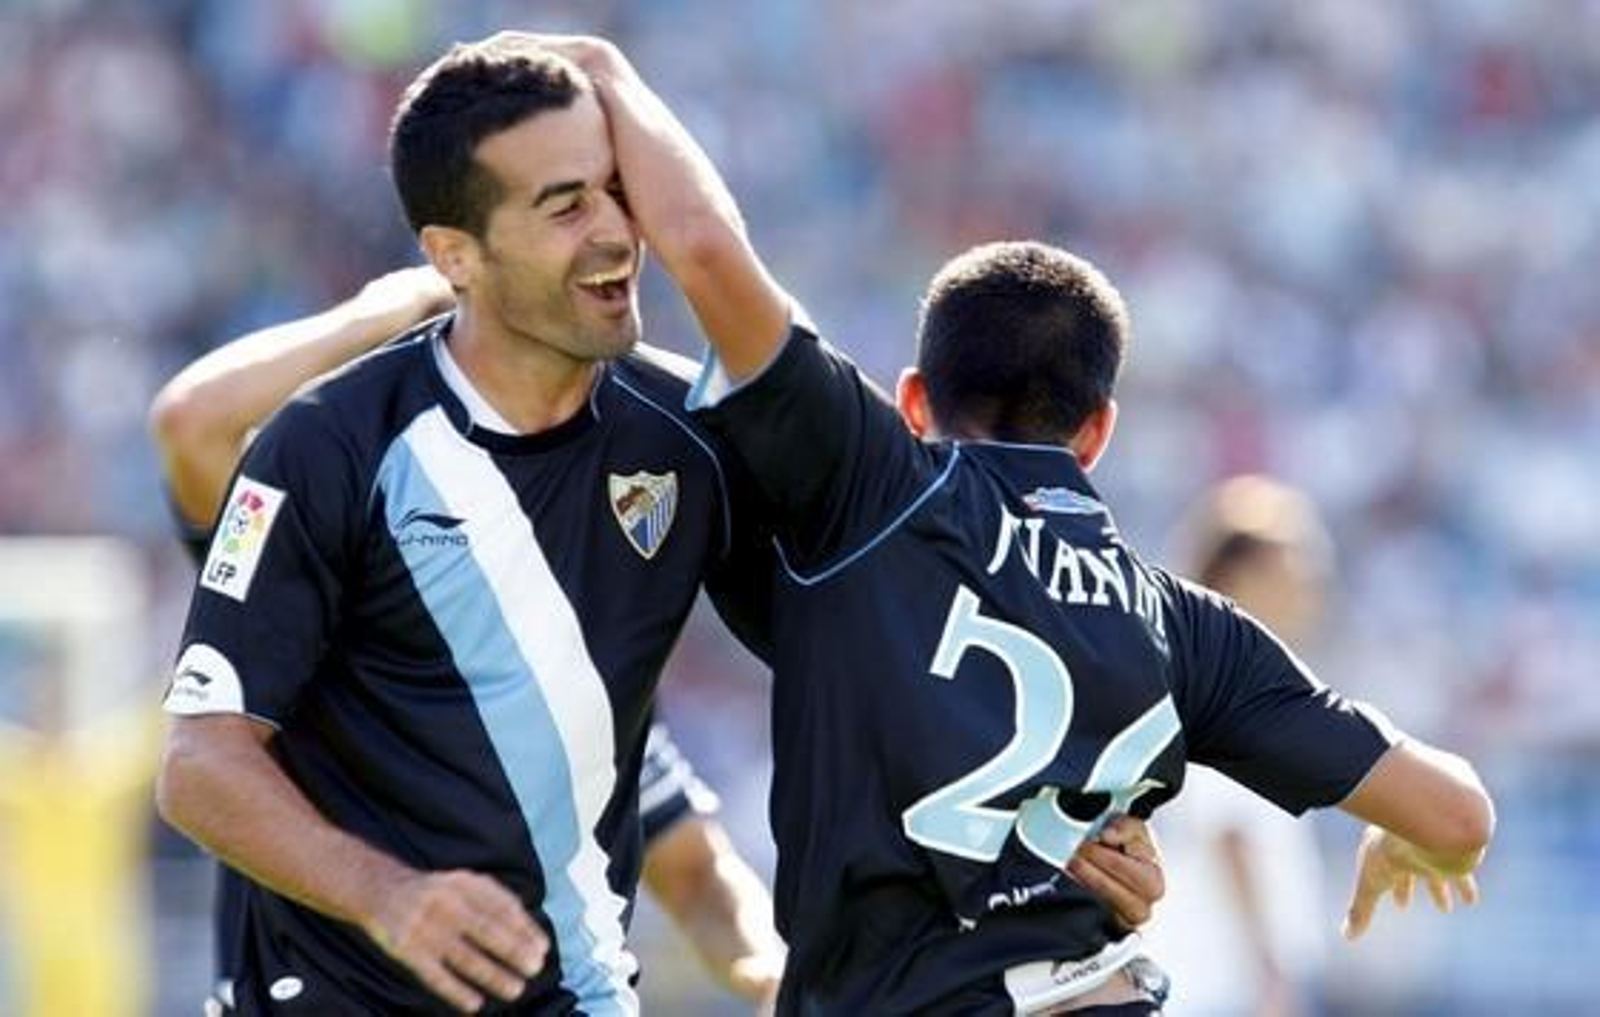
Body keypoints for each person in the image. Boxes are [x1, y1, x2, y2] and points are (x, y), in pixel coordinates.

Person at [153, 36, 1164, 1015]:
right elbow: (199, 766)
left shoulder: (690, 436)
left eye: (614, 190)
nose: (612, 232)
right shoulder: (330, 444)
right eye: (563, 206)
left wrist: (1063, 812)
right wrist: (388, 895)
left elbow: (894, 640)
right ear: (454, 255)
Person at [537, 33, 1495, 1016]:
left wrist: (600, 72)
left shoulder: (876, 487)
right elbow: (1458, 810)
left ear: (913, 400)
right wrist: (1406, 836)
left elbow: (701, 245)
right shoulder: (1190, 629)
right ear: (1099, 432)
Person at [146, 266, 785, 1010]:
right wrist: (379, 318)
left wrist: (772, 975)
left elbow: (698, 875)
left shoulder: (578, 673)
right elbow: (192, 423)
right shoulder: (322, 517)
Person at [1141, 476, 1340, 1017]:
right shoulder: (1226, 689)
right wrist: (1271, 975)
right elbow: (1231, 831)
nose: (1311, 583)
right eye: (1292, 564)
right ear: (1239, 576)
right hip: (1224, 987)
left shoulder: (1218, 679)